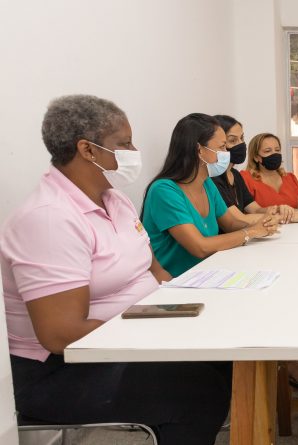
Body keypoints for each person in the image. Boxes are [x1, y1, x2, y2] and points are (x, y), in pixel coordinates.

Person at [1, 95, 230, 444]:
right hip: (56, 372)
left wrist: (190, 310)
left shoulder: (115, 200)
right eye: (124, 144)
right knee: (197, 394)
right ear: (87, 150)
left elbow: (155, 271)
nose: (134, 150)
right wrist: (152, 329)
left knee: (227, 359)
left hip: (130, 336)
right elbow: (60, 334)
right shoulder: (49, 218)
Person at [142, 113, 280, 278]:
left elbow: (230, 223)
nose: (226, 153)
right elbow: (200, 247)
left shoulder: (207, 183)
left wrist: (262, 222)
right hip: (176, 282)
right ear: (199, 150)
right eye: (222, 147)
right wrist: (250, 232)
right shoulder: (163, 191)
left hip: (208, 273)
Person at [210, 115, 298, 225]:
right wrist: (285, 218)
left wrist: (278, 209)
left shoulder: (235, 175)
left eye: (241, 138)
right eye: (232, 140)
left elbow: (255, 209)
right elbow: (237, 218)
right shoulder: (214, 178)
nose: (241, 144)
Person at [240, 132, 298, 210]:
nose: (274, 154)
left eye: (277, 150)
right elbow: (250, 212)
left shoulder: (290, 178)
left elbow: (297, 207)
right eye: (268, 151)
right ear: (256, 157)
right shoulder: (245, 178)